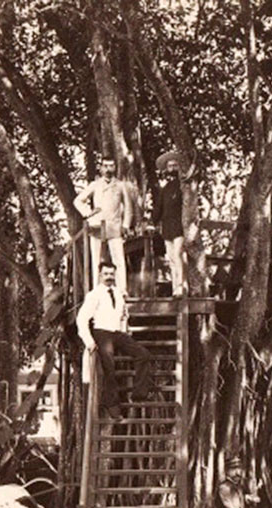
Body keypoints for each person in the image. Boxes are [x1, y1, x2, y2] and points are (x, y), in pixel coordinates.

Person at [76, 262, 151, 418]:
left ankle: (139, 395)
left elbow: (123, 314)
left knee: (143, 354)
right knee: (109, 367)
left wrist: (125, 330)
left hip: (117, 333)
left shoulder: (117, 293)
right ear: (100, 275)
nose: (109, 277)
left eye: (111, 274)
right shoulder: (94, 295)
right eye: (106, 274)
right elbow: (81, 319)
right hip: (101, 332)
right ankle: (112, 405)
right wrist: (89, 342)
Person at [74, 157, 134, 293]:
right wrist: (88, 213)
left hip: (115, 226)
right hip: (97, 227)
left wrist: (126, 225)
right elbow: (78, 201)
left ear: (115, 168)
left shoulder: (120, 185)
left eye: (111, 166)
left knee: (118, 258)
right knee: (97, 259)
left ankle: (122, 290)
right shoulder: (95, 185)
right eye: (105, 166)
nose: (108, 169)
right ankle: (97, 289)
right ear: (101, 168)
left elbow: (128, 207)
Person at [150, 151, 185, 296]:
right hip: (168, 227)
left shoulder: (184, 186)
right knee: (171, 258)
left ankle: (182, 286)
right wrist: (152, 222)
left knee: (178, 255)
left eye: (175, 165)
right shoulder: (165, 189)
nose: (172, 169)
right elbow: (158, 208)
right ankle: (175, 288)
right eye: (170, 166)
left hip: (181, 226)